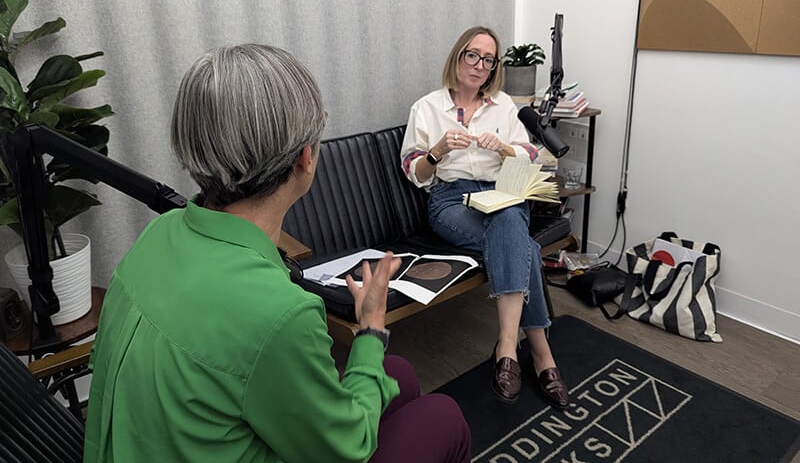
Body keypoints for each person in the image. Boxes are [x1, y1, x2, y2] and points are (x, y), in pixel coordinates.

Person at [84, 44, 471, 463]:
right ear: (306, 158)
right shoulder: (281, 315)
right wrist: (372, 328)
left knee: (399, 375)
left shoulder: (157, 234)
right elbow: (348, 449)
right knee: (444, 416)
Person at [400, 26, 570, 409]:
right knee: (522, 245)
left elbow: (531, 154)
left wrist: (505, 149)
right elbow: (415, 171)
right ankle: (541, 353)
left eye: (488, 60)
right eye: (473, 55)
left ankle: (508, 347)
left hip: (501, 191)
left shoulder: (504, 106)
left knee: (509, 220)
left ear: (494, 67)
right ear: (459, 56)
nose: (479, 65)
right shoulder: (426, 108)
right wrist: (438, 150)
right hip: (451, 201)